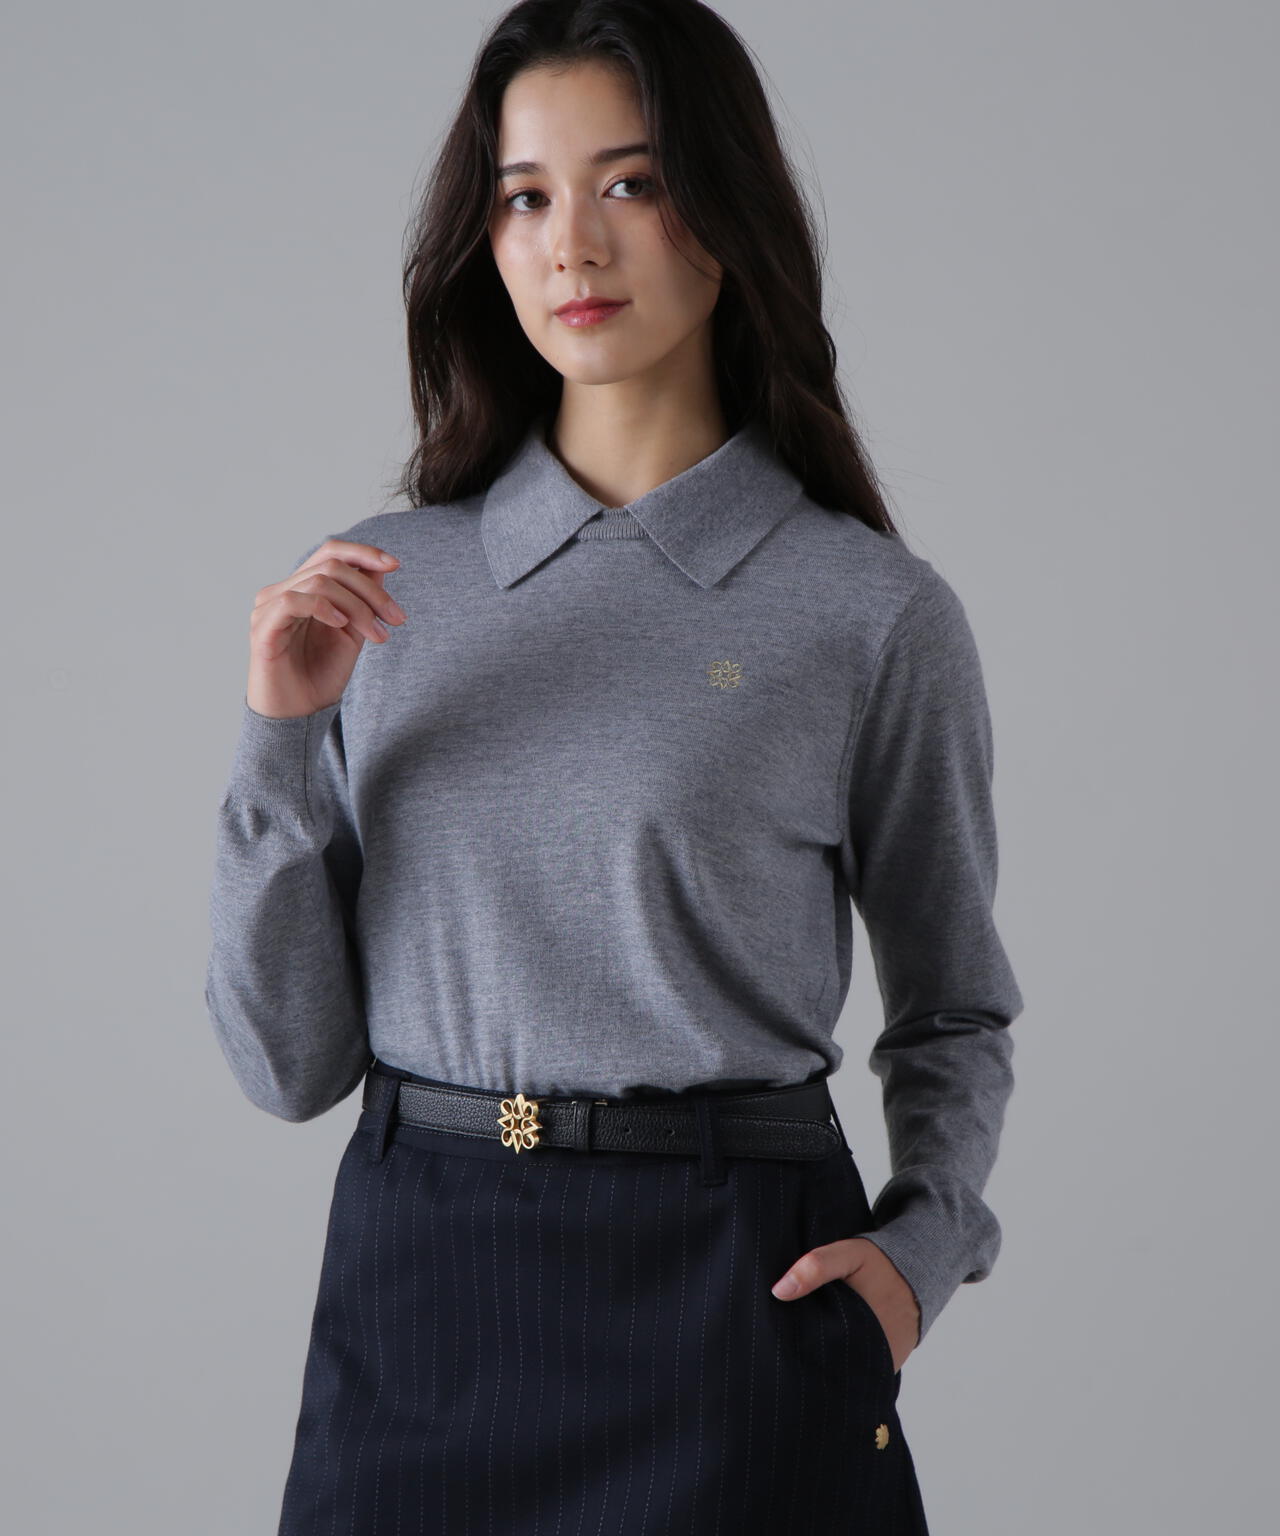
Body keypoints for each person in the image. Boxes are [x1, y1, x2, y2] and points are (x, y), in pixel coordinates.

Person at [204, 2, 1024, 1531]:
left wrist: (918, 1259)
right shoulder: (378, 591)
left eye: (630, 183)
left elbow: (956, 1006)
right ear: (485, 239)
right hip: (421, 1293)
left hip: (736, 1301)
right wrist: (279, 736)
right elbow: (286, 1067)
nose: (571, 243)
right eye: (525, 196)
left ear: (727, 207)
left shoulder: (869, 612)